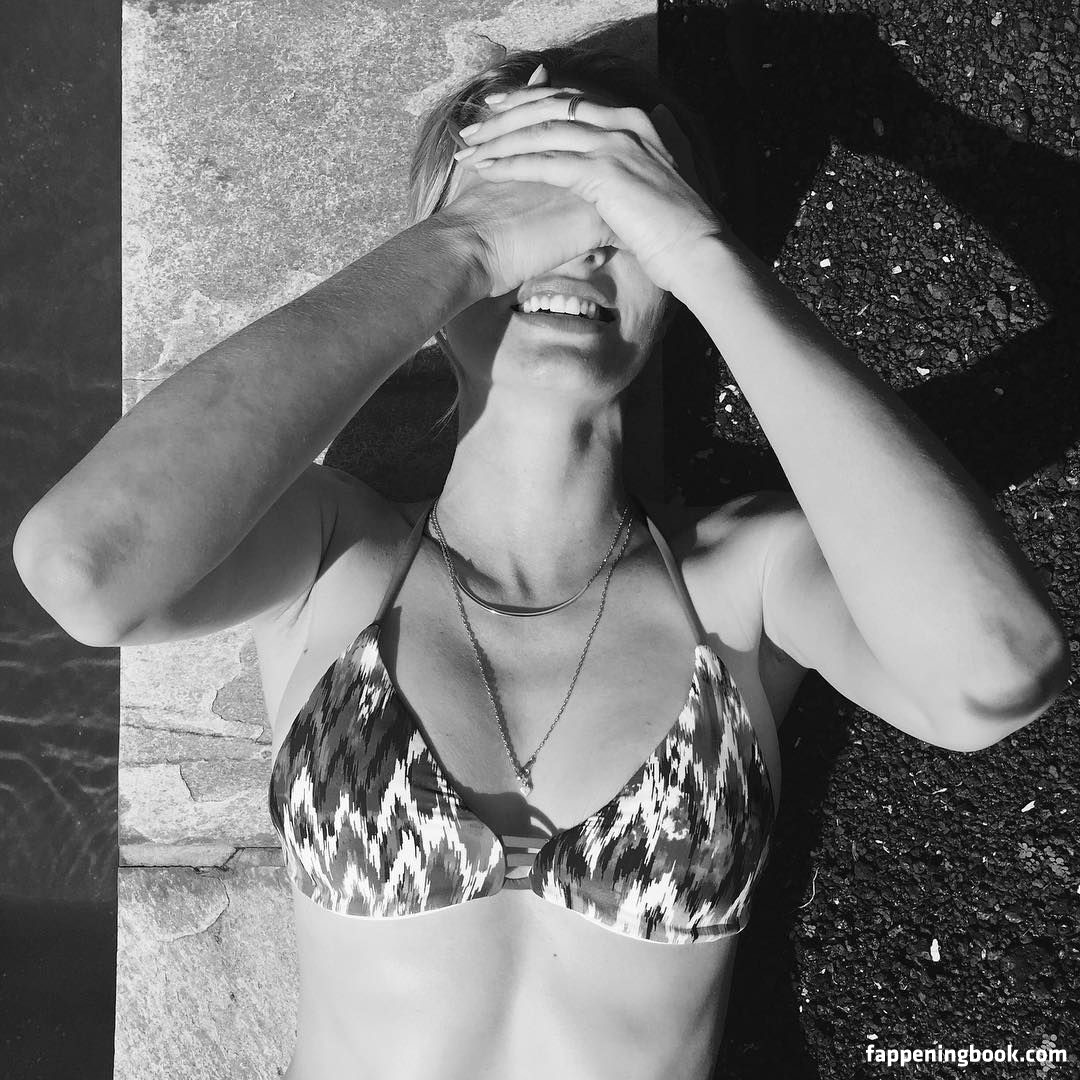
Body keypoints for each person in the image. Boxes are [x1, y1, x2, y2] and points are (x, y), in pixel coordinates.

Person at [13, 39, 1068, 1080]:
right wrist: (466, 245)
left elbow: (996, 674)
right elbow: (86, 569)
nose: (572, 247)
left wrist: (698, 248)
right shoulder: (338, 555)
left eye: (616, 215)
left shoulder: (743, 581)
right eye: (527, 205)